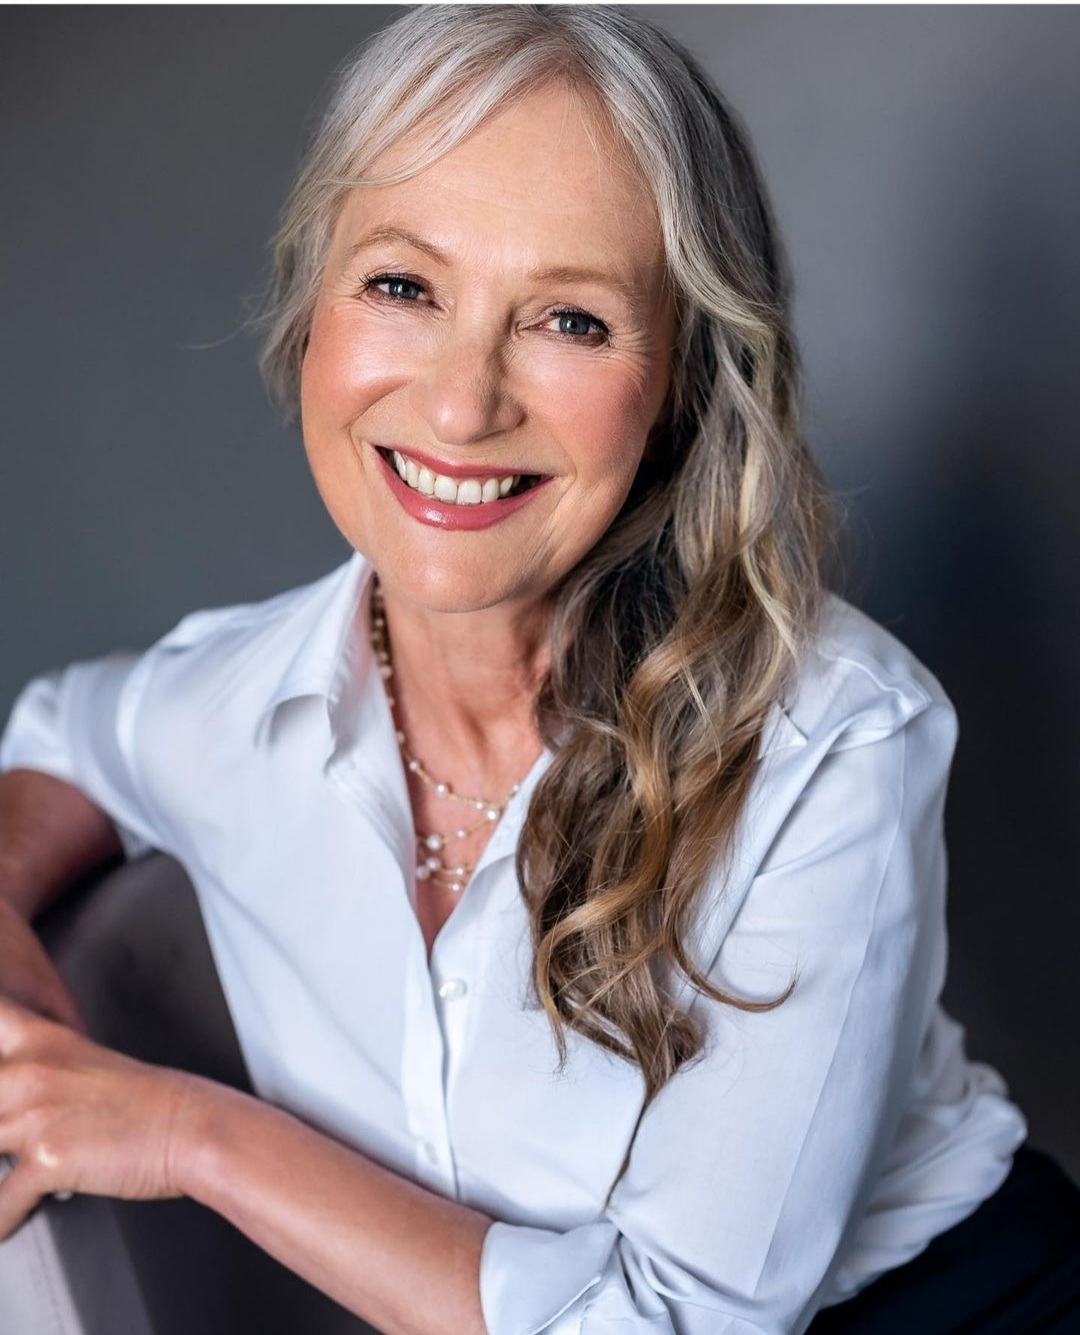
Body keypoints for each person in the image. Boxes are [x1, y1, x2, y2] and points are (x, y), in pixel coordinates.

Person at [0, 6, 1078, 1334]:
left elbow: (674, 1326)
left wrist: (189, 1138)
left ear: (680, 381)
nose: (464, 405)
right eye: (403, 286)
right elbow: (62, 738)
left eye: (570, 319)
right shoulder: (225, 709)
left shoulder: (834, 740)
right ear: (312, 306)